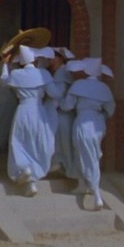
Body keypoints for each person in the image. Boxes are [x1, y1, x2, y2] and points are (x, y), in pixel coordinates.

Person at [0, 45, 58, 197]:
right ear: (35, 60)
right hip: (39, 112)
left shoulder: (16, 74)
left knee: (20, 143)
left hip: (22, 111)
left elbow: (3, 82)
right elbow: (54, 94)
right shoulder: (43, 74)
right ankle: (32, 175)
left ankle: (26, 171)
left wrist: (5, 65)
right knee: (38, 143)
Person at [61, 57, 115, 210]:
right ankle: (82, 183)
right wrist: (100, 115)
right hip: (98, 124)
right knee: (91, 153)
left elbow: (67, 106)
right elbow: (110, 110)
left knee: (83, 153)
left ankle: (95, 192)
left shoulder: (79, 85)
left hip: (82, 121)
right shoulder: (104, 89)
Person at [44, 47, 77, 179]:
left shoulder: (63, 75)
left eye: (53, 58)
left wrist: (48, 85)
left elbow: (58, 94)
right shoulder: (58, 73)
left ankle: (69, 170)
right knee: (59, 143)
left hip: (62, 114)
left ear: (61, 59)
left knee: (64, 143)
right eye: (49, 59)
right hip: (57, 114)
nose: (51, 62)